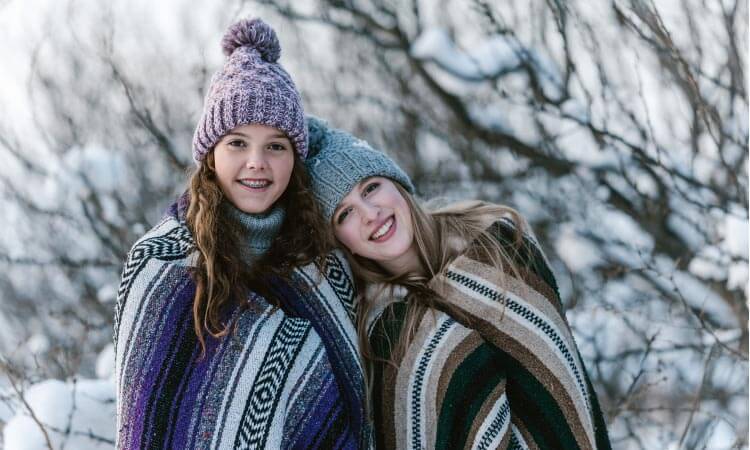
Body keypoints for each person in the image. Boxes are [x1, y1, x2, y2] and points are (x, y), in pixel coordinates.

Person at [113, 20, 369, 450]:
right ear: (210, 155)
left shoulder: (325, 265)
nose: (257, 162)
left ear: (295, 159)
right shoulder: (160, 266)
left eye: (276, 146)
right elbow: (148, 424)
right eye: (237, 143)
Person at [305, 117, 612, 449]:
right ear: (340, 241)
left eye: (371, 188)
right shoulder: (385, 335)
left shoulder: (499, 248)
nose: (369, 212)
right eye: (344, 214)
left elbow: (564, 387)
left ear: (397, 183)